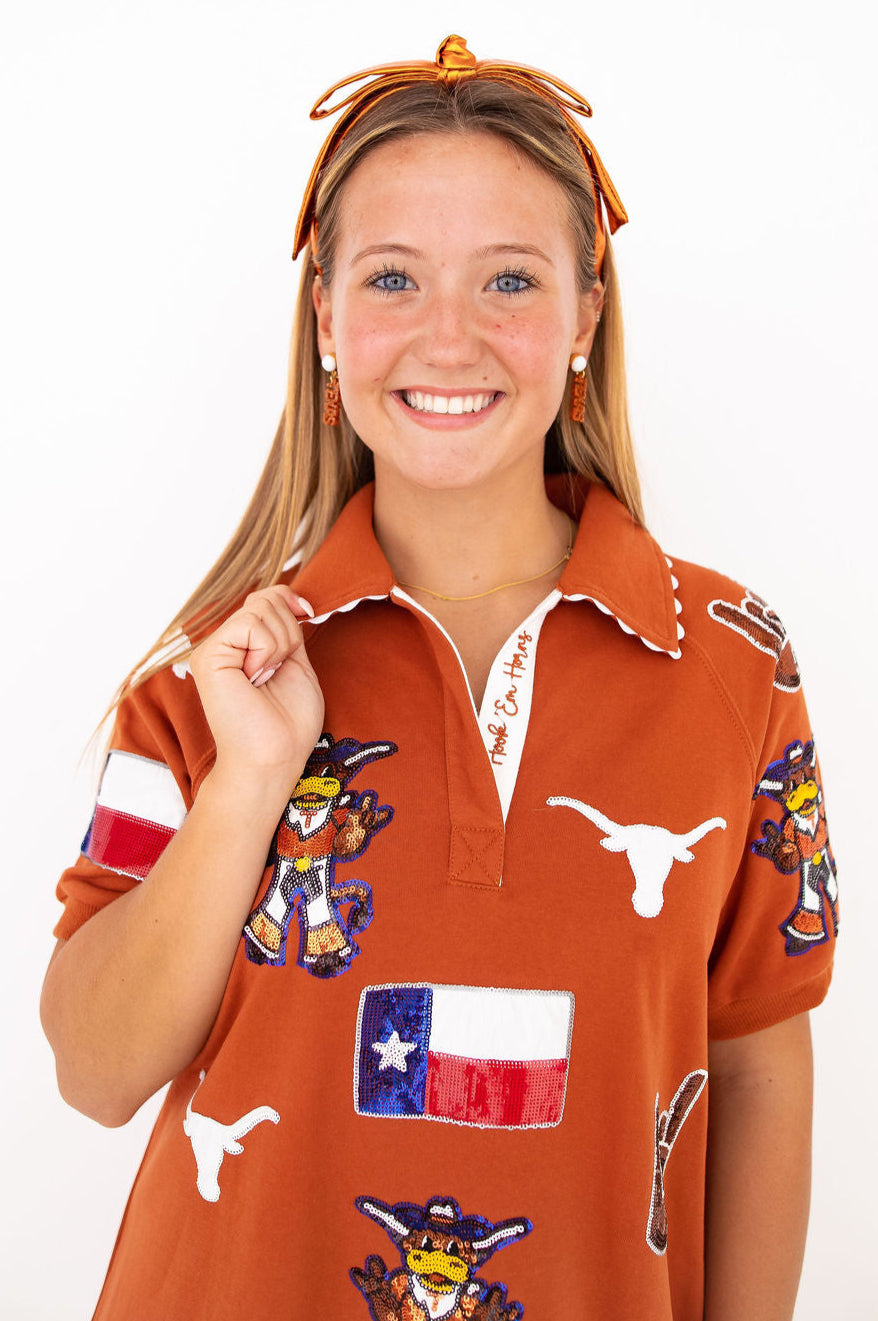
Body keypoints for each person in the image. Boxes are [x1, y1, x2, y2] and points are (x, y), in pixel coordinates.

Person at [40, 34, 837, 1321]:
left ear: (584, 315)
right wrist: (248, 782)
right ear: (325, 320)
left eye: (508, 280)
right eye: (392, 278)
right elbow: (93, 1070)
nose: (447, 337)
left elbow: (752, 1066)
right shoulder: (213, 672)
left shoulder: (732, 658)